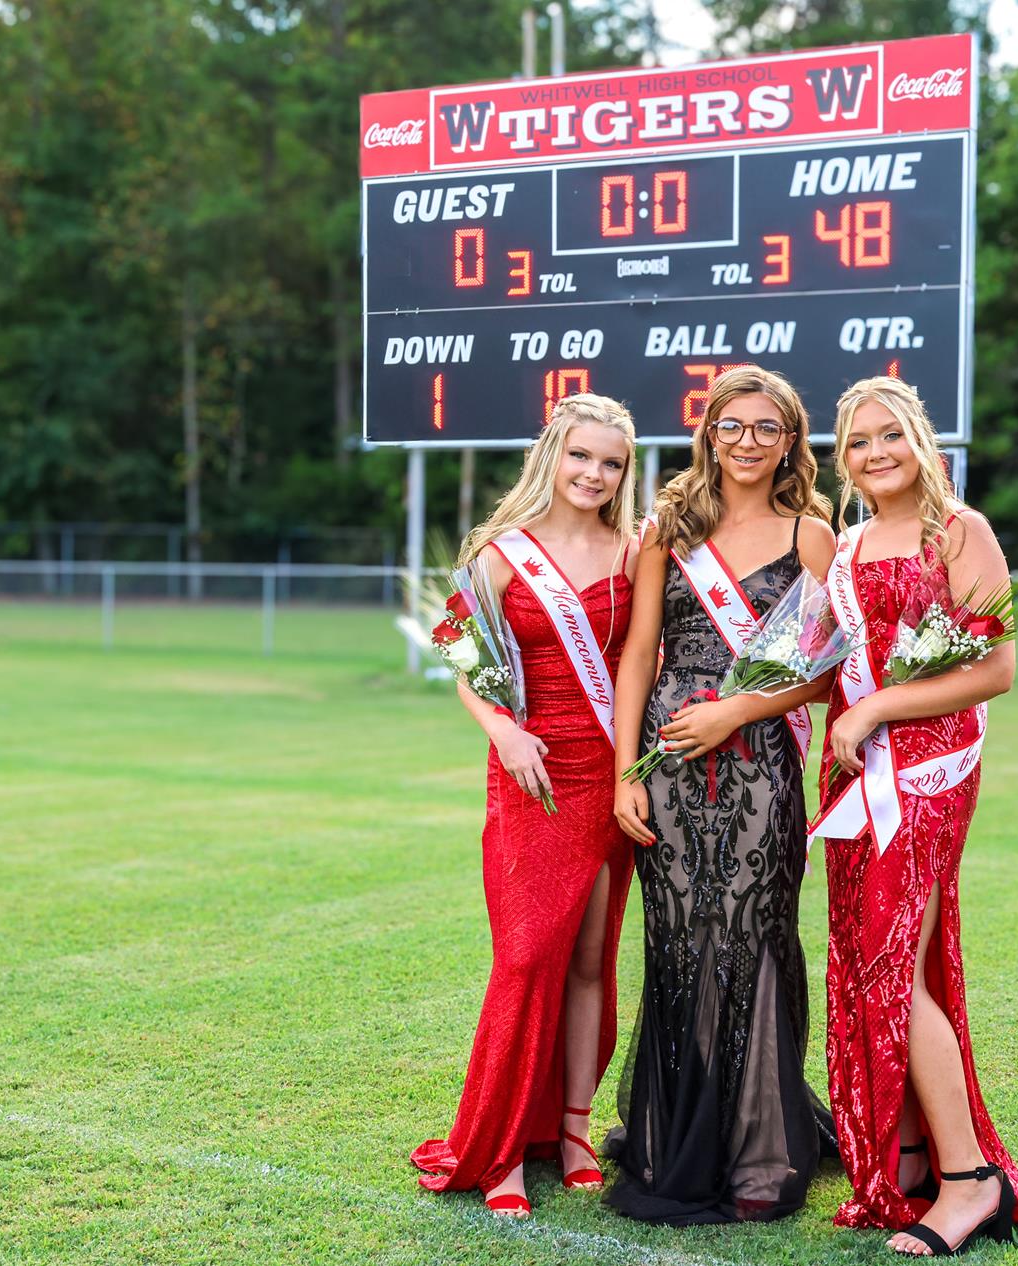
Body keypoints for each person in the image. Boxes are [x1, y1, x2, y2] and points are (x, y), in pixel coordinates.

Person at [816, 377, 1018, 1255]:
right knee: (870, 960)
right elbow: (826, 662)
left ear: (920, 440)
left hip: (927, 771)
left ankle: (968, 1184)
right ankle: (916, 1157)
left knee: (892, 962)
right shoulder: (844, 549)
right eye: (857, 442)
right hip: (854, 771)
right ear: (843, 460)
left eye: (890, 434)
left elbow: (995, 670)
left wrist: (876, 710)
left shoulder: (961, 533)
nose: (875, 452)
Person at [606, 365, 838, 1224]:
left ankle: (759, 1149)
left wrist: (739, 708)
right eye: (732, 426)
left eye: (765, 428)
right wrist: (623, 771)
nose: (747, 441)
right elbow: (637, 655)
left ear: (789, 443)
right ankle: (677, 1144)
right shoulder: (671, 528)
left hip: (760, 768)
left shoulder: (812, 536)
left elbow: (829, 672)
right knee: (677, 947)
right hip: (667, 765)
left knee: (755, 940)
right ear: (709, 434)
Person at [411, 394, 641, 1219]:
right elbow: (456, 650)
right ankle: (501, 1146)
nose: (594, 474)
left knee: (590, 958)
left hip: (608, 774)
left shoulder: (634, 552)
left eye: (611, 462)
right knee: (525, 956)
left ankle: (574, 1129)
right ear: (553, 457)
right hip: (531, 772)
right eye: (581, 456)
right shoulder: (501, 553)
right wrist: (502, 730)